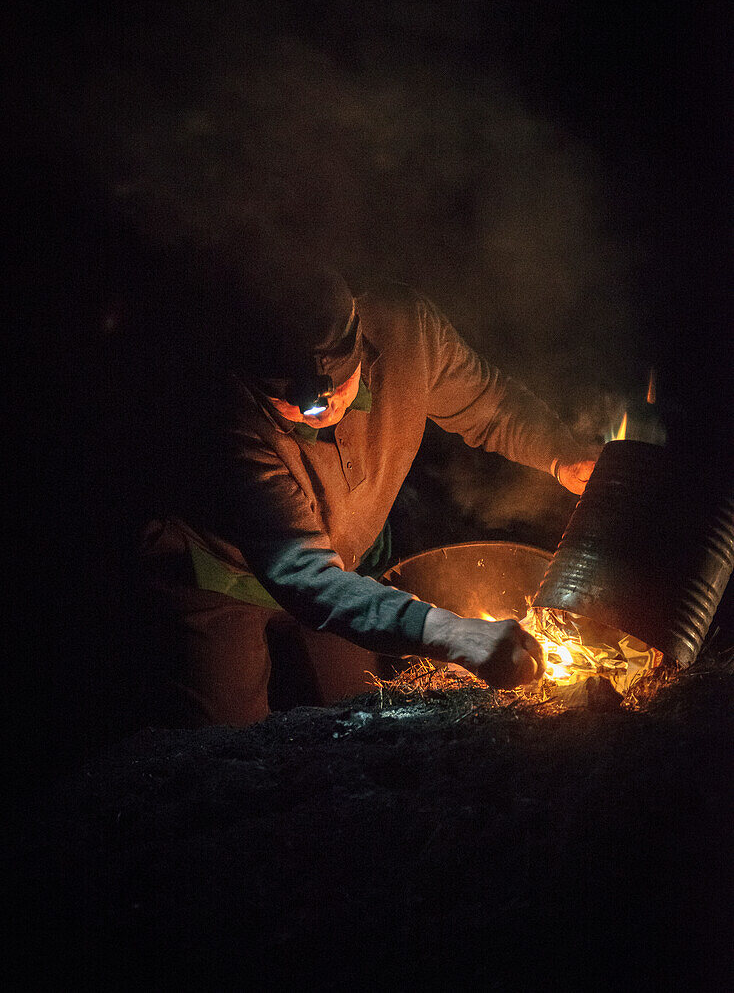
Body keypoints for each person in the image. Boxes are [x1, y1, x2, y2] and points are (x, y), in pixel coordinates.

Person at [140, 263, 598, 726]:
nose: (320, 410)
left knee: (355, 713)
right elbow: (304, 574)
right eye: (288, 400)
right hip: (221, 577)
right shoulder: (227, 416)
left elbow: (490, 405)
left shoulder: (407, 332)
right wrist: (452, 631)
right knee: (225, 741)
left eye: (336, 386)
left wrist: (563, 455)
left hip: (344, 569)